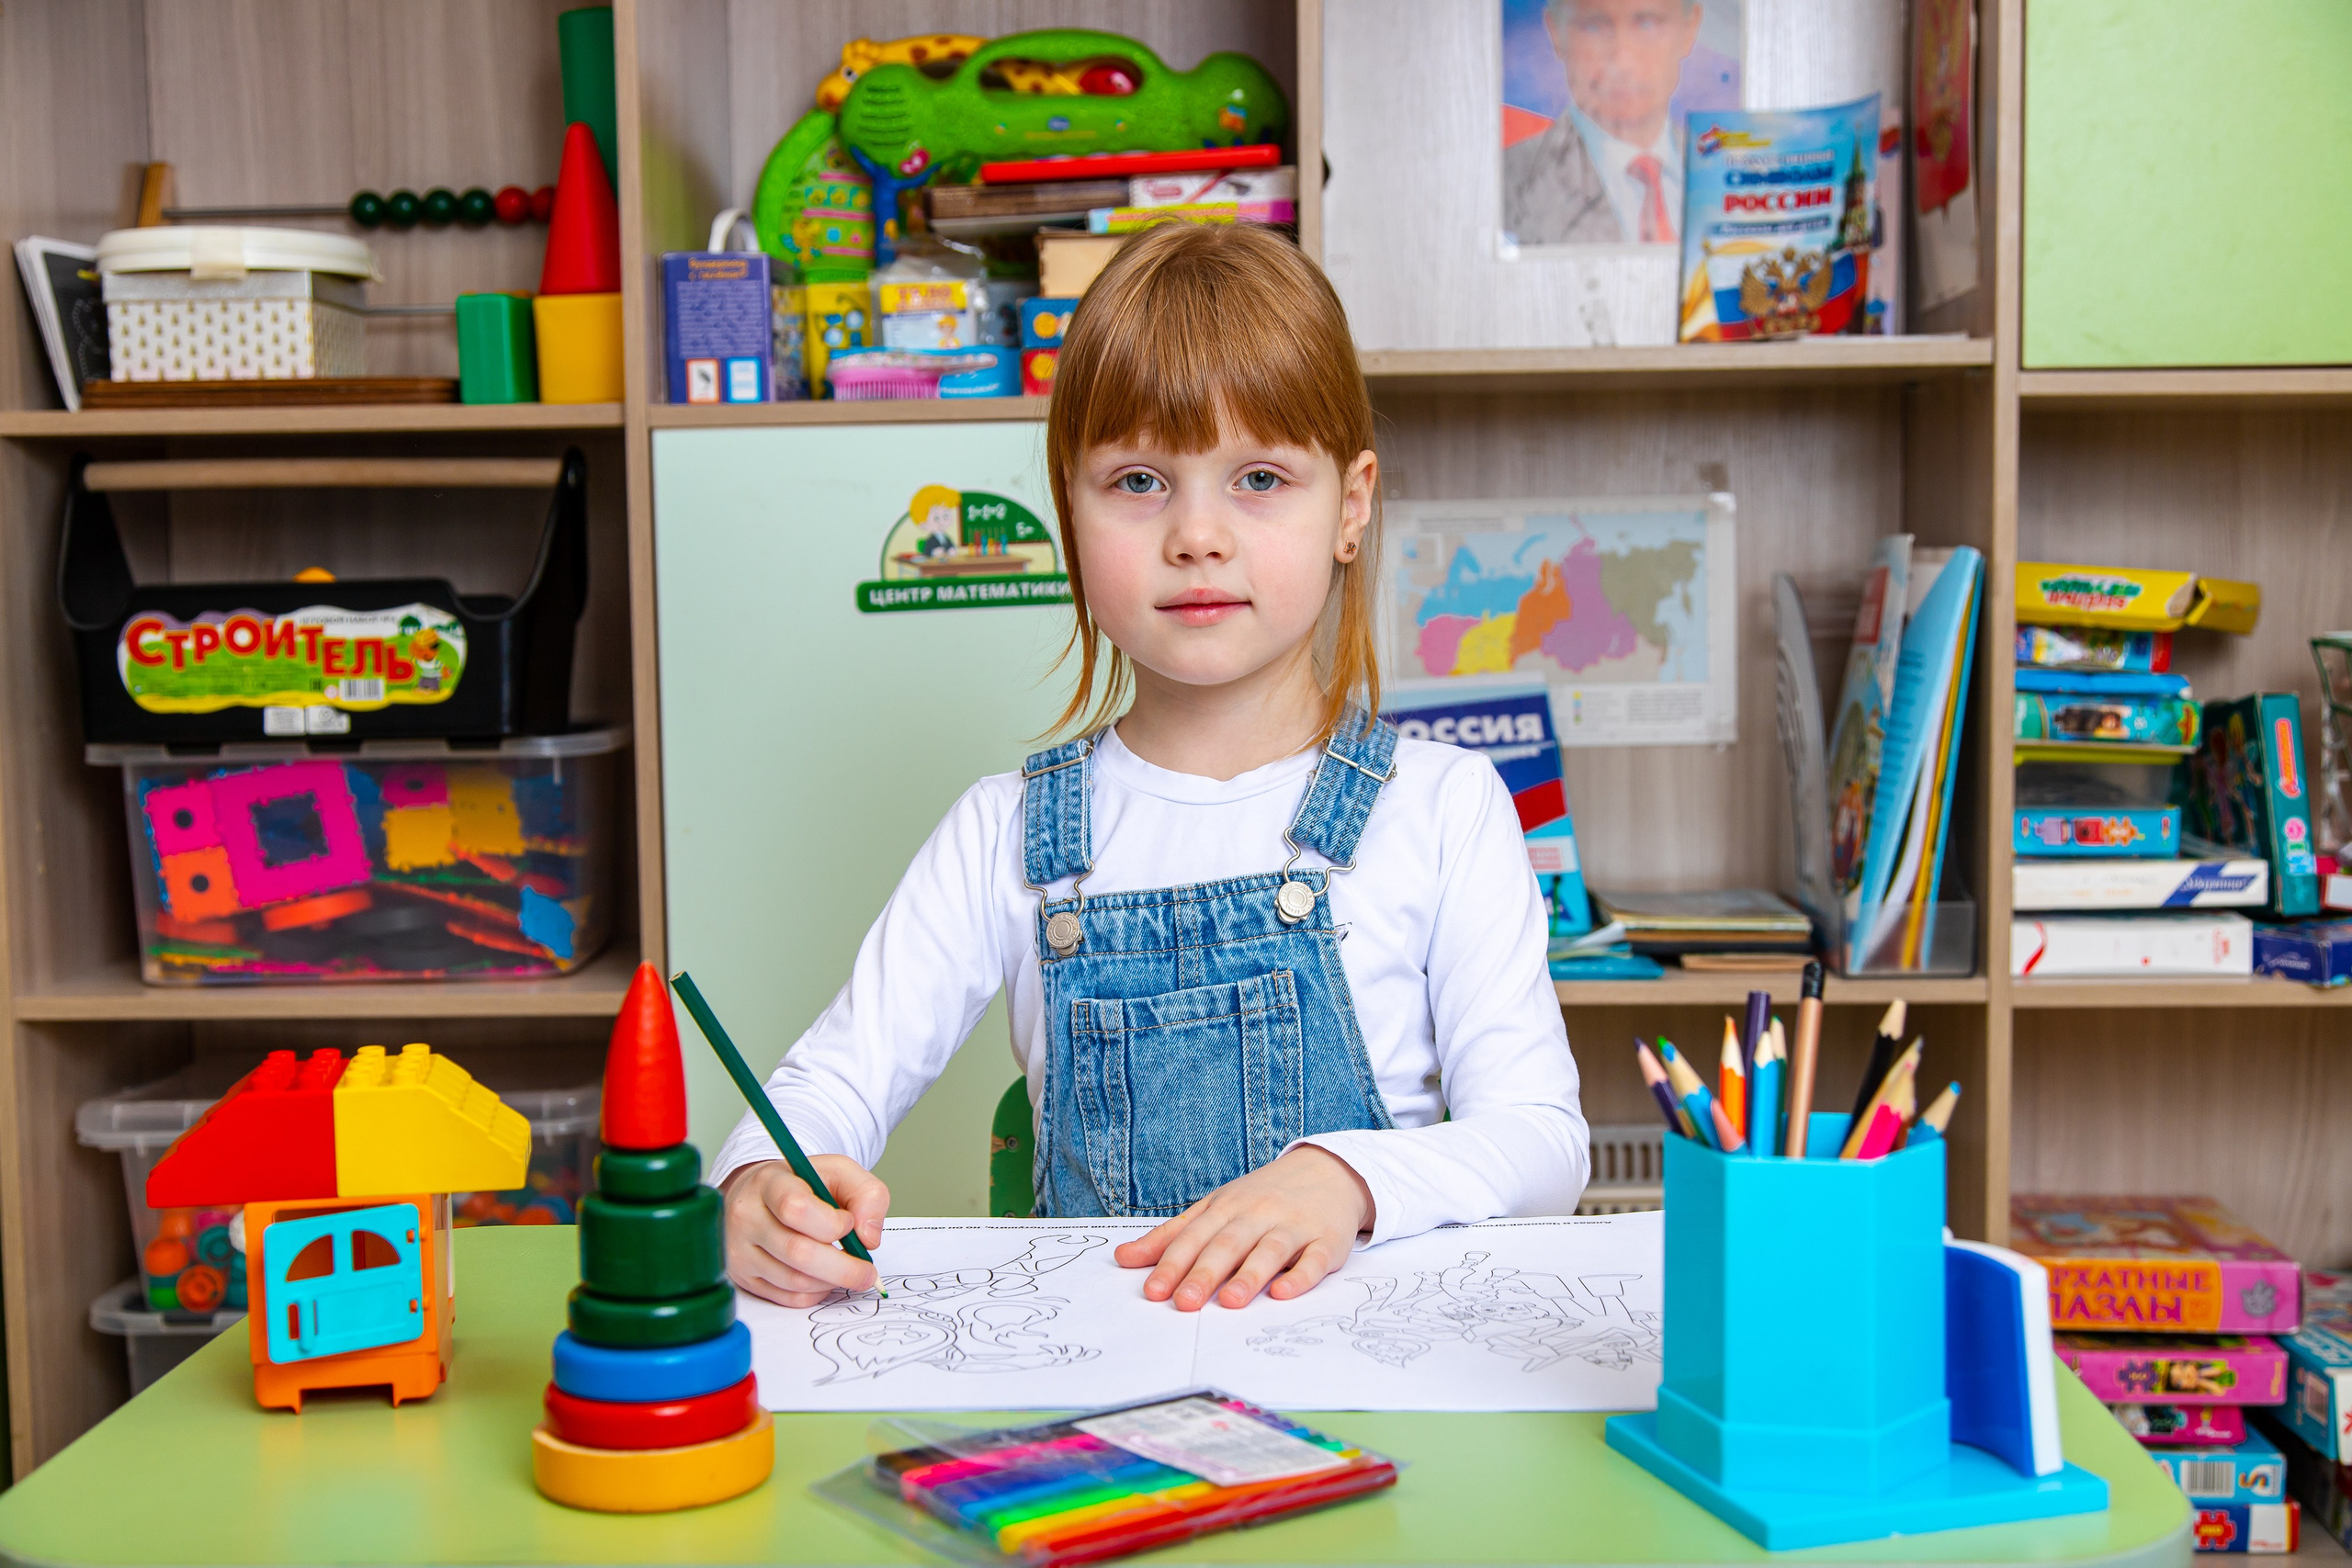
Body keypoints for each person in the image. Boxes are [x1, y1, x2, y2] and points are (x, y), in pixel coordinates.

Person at [713, 221, 1590, 1314]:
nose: (1197, 535)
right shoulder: (1003, 834)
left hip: (1382, 1373)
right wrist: (757, 1186)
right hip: (1101, 1387)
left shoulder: (1448, 808)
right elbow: (826, 1086)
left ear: (1350, 507)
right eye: (1137, 480)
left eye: (1260, 476)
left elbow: (1545, 1145)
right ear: (1068, 518)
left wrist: (1348, 1178)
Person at [1503, 0, 1707, 246]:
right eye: (1593, 27)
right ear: (1556, 32)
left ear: (1689, 28)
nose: (1622, 63)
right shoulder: (1504, 184)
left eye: (1647, 24)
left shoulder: (1730, 171)